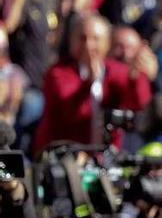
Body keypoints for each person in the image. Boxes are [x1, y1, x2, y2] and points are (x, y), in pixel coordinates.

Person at [32, 15, 152, 154]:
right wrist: (89, 82)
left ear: (107, 43)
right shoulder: (58, 73)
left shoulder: (116, 71)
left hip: (105, 156)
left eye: (95, 39)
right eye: (82, 38)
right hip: (64, 155)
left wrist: (137, 78)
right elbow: (70, 112)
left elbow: (139, 104)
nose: (88, 45)